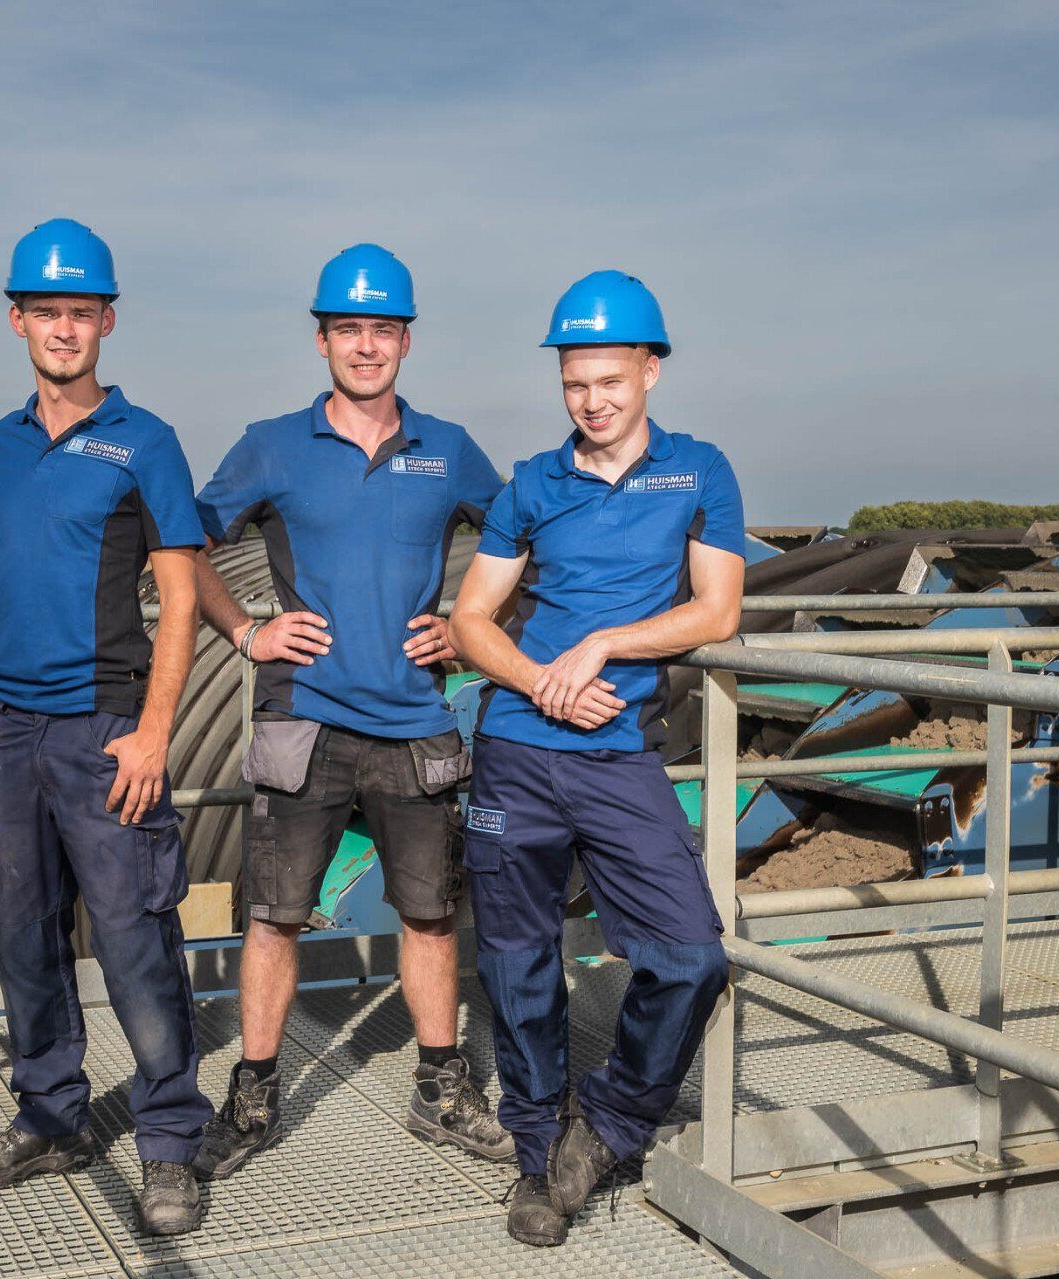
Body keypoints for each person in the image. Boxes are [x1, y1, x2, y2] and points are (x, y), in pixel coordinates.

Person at [189, 244, 513, 1178]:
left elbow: (521, 545)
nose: (365, 346)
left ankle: (441, 1089)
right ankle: (253, 1097)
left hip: (416, 724)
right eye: (347, 330)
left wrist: (467, 627)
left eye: (382, 329)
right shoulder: (272, 445)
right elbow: (186, 543)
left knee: (429, 915)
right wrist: (246, 634)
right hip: (305, 723)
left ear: (405, 340)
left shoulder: (450, 450)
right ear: (322, 338)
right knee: (275, 916)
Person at [446, 271, 745, 1247]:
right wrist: (542, 682)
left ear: (652, 369)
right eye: (576, 382)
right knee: (520, 964)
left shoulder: (699, 472)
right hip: (517, 749)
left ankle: (608, 1121)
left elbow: (717, 610)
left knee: (690, 955)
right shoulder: (531, 484)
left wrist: (605, 643)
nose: (593, 399)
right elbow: (471, 621)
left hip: (618, 753)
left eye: (611, 378)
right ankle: (538, 1159)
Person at [0, 218, 213, 1237]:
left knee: (137, 939)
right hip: (9, 730)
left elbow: (182, 599)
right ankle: (51, 1116)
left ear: (108, 319)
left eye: (81, 311)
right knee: (24, 935)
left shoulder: (147, 443)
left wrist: (152, 735)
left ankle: (171, 1142)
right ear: (18, 320)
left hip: (103, 728)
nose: (64, 327)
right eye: (45, 310)